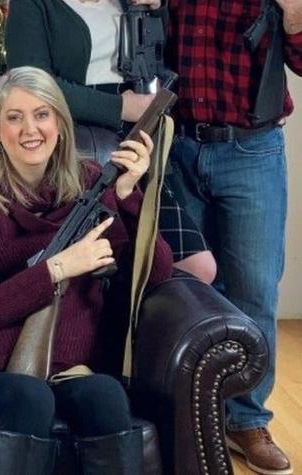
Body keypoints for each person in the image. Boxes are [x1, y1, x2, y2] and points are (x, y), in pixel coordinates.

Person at [0, 67, 173, 474]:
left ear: (59, 122)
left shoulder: (93, 182)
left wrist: (129, 196)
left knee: (106, 395)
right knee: (30, 398)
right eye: (14, 117)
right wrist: (57, 269)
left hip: (70, 366)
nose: (29, 129)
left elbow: (157, 274)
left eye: (41, 114)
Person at [164, 1, 302, 473]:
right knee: (185, 285)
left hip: (252, 149)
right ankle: (191, 413)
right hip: (177, 144)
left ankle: (246, 419)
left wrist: (295, 15)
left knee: (254, 287)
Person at [4, 0, 217, 284]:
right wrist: (118, 107)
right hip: (74, 150)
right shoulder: (32, 5)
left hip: (135, 149)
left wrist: (158, 7)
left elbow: (167, 54)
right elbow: (29, 82)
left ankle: (139, 325)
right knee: (93, 269)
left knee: (198, 265)